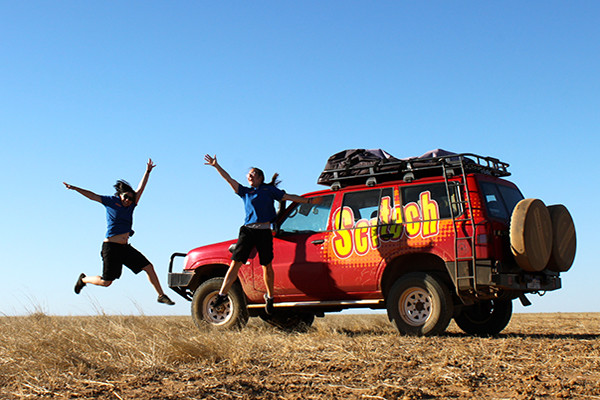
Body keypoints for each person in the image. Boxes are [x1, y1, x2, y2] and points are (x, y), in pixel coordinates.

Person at [204, 154, 315, 315]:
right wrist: (216, 166)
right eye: (248, 174)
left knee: (266, 265)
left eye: (252, 173)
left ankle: (270, 297)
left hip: (264, 231)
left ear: (260, 177)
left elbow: (289, 197)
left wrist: (310, 202)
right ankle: (222, 294)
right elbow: (229, 179)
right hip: (248, 231)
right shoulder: (245, 191)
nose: (249, 176)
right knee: (236, 263)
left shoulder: (269, 190)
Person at [63, 159, 175, 306]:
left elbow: (141, 188)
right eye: (126, 197)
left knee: (149, 267)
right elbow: (92, 195)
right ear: (120, 195)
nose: (128, 200)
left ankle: (161, 295)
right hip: (111, 248)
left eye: (130, 198)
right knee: (106, 282)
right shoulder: (110, 201)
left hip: (125, 247)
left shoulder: (132, 204)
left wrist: (147, 172)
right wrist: (75, 188)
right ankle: (83, 279)